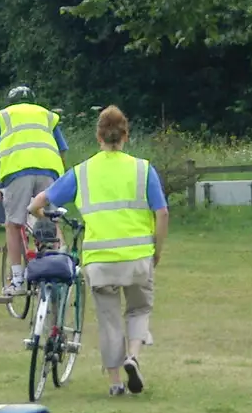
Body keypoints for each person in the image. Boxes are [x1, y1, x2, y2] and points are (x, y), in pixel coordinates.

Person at [29, 106, 167, 397]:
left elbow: (40, 200)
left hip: (100, 261)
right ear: (126, 135)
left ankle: (115, 382)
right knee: (139, 309)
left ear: (98, 136)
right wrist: (157, 249)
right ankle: (133, 356)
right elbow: (162, 212)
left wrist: (38, 213)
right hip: (138, 256)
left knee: (109, 320)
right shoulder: (143, 169)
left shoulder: (83, 171)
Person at [0, 85, 68, 294]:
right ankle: (63, 267)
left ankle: (18, 280)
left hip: (17, 172)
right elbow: (62, 150)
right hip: (50, 170)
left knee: (13, 224)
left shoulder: (3, 117)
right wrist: (60, 179)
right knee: (50, 219)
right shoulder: (47, 116)